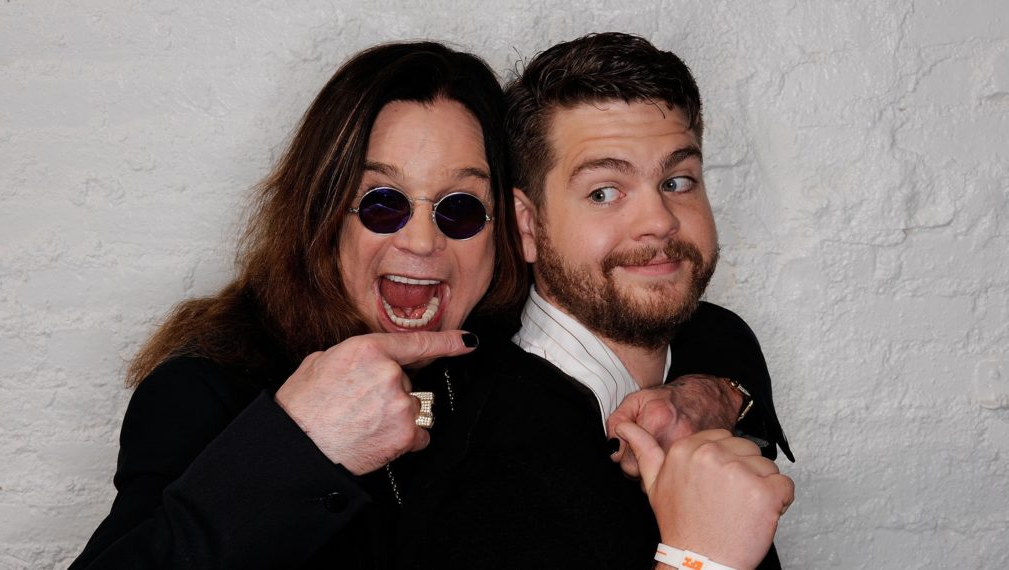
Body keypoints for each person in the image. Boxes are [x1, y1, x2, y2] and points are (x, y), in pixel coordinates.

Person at [70, 41, 528, 569]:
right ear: (323, 215)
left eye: (462, 209)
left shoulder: (518, 378)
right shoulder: (202, 391)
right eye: (382, 203)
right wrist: (299, 445)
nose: (422, 242)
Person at [397, 33, 794, 569]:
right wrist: (702, 562)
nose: (659, 221)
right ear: (528, 224)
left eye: (677, 180)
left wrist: (719, 395)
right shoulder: (490, 473)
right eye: (604, 192)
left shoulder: (707, 344)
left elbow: (719, 333)